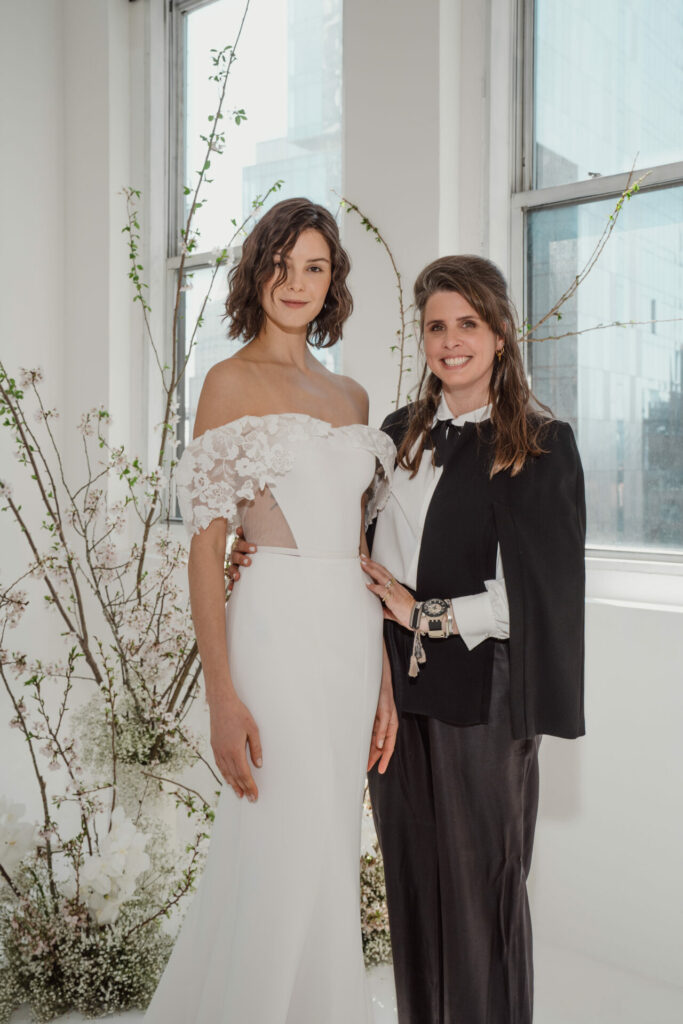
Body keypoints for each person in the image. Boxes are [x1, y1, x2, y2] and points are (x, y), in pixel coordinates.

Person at [231, 254, 586, 1024]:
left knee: (479, 892)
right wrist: (256, 546)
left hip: (482, 697)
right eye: (435, 326)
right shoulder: (395, 434)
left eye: (467, 324)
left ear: (498, 333)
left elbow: (541, 597)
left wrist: (429, 614)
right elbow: (344, 537)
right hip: (389, 688)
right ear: (420, 337)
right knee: (411, 888)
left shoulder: (540, 440)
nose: (450, 340)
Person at [144, 197, 398, 1024]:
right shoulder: (228, 381)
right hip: (275, 625)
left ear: (334, 283)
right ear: (258, 273)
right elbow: (205, 548)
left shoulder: (353, 397)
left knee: (326, 842)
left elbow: (363, 554)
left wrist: (387, 685)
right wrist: (219, 696)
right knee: (279, 835)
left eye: (315, 267)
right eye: (282, 265)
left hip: (351, 639)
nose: (297, 283)